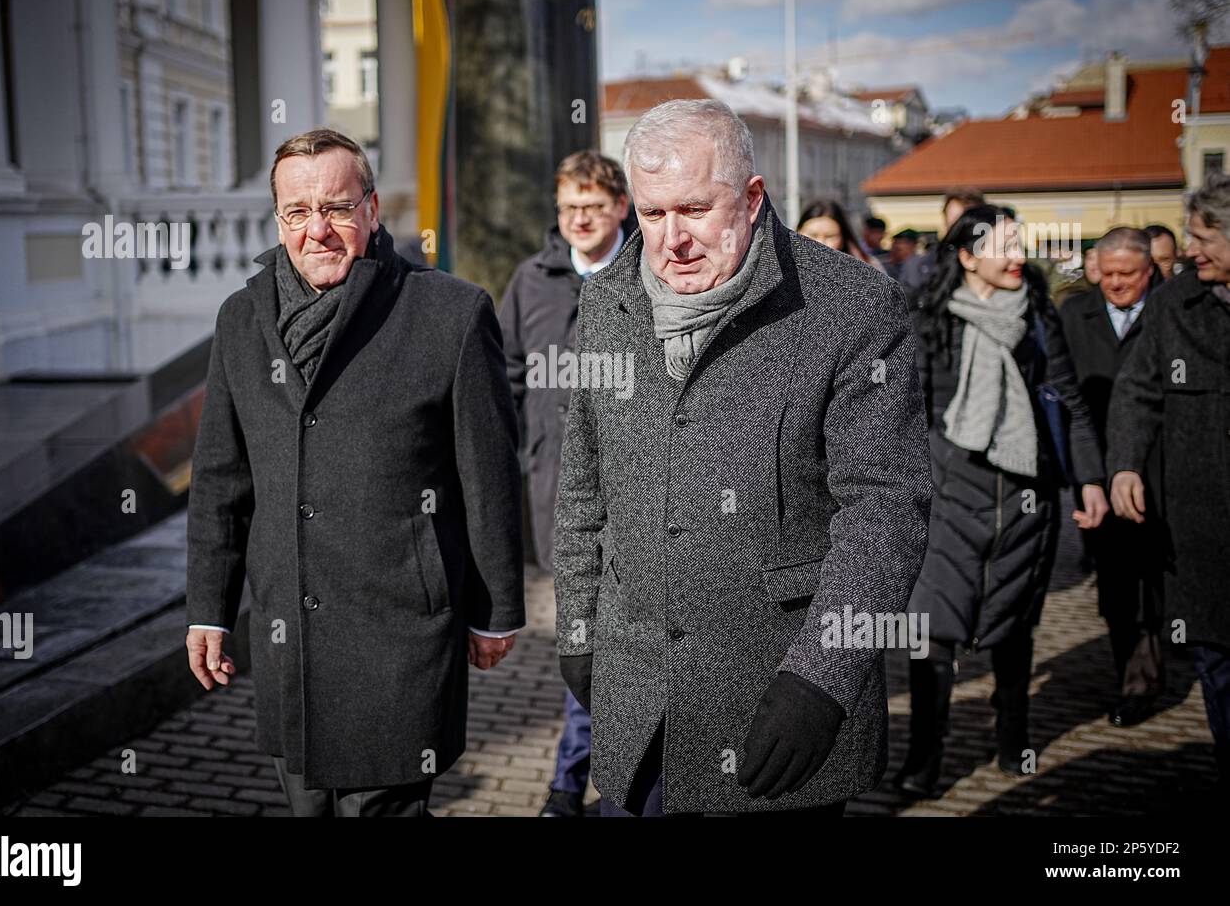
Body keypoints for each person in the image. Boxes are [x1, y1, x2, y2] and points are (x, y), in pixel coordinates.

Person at [552, 99, 932, 816]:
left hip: (776, 704)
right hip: (638, 704)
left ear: (753, 198)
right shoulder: (606, 300)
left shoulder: (850, 307)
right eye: (653, 213)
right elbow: (582, 483)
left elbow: (884, 506)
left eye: (694, 208)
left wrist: (822, 676)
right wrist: (577, 624)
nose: (672, 240)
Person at [185, 129, 525, 816]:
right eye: (297, 212)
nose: (318, 230)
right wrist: (208, 608)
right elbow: (222, 476)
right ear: (278, 218)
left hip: (399, 633)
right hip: (291, 638)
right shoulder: (242, 319)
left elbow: (487, 477)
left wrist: (496, 612)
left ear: (372, 210)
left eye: (337, 208)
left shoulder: (450, 313)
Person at [897, 204, 1107, 797]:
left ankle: (1014, 734)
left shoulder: (1039, 317)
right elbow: (906, 411)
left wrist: (1089, 478)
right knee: (930, 632)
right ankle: (925, 755)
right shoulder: (931, 319)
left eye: (1021, 244)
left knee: (1013, 627)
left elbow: (1067, 400)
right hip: (946, 498)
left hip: (1025, 499)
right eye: (1004, 246)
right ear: (967, 256)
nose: (1018, 257)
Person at [499, 149, 630, 817]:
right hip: (559, 494)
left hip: (640, 497)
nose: (579, 218)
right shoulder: (532, 280)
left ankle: (579, 782)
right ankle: (573, 778)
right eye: (569, 207)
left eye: (593, 206)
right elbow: (508, 380)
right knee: (582, 636)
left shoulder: (651, 274)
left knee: (622, 644)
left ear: (620, 207)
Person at [1110, 173, 1230, 796]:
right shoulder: (1174, 305)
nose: (1188, 248)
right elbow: (1137, 388)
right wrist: (1126, 463)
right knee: (1217, 662)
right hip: (1204, 528)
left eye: (1203, 236)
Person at [1059, 228, 1167, 727]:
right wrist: (1083, 475)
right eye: (1109, 274)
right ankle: (1133, 676)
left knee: (1159, 577)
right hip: (1098, 470)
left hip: (1164, 470)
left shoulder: (1172, 313)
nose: (1118, 283)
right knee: (1119, 584)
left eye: (1130, 274)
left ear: (1150, 271)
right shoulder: (1075, 316)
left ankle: (1153, 665)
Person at [898, 187, 986, 306]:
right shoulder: (917, 268)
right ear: (945, 222)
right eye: (954, 221)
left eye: (966, 222)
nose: (959, 228)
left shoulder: (994, 267)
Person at [796, 198, 884, 271]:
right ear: (798, 233)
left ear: (843, 239)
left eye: (830, 236)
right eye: (813, 235)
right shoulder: (784, 269)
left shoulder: (868, 269)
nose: (820, 242)